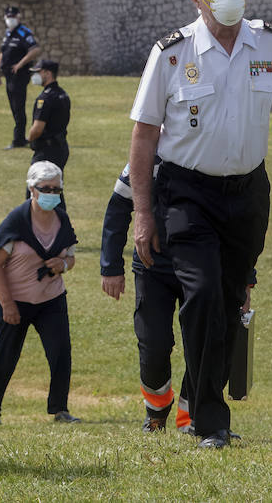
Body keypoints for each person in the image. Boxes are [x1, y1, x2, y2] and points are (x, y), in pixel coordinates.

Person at [128, 0, 272, 449]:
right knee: (202, 294)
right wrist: (143, 214)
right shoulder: (172, 53)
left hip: (247, 192)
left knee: (233, 300)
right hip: (185, 192)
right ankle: (210, 424)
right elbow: (144, 135)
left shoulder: (271, 47)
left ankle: (198, 396)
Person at [0, 161, 80, 427]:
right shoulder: (17, 221)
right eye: (45, 188)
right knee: (4, 358)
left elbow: (71, 256)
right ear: (32, 189)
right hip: (14, 301)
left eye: (56, 189)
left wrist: (62, 265)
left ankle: (60, 409)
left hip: (51, 300)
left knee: (60, 353)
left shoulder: (62, 219)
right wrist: (7, 304)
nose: (51, 193)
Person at [99, 158, 191, 434]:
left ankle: (193, 417)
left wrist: (245, 278)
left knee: (201, 344)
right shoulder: (146, 160)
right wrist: (111, 267)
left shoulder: (204, 154)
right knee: (153, 344)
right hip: (152, 268)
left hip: (200, 265)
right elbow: (117, 209)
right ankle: (156, 413)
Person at [0, 5, 41, 150]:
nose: (10, 19)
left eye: (13, 17)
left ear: (18, 17)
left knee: (18, 106)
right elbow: (3, 53)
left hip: (19, 75)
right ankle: (20, 137)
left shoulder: (23, 32)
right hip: (8, 74)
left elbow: (35, 50)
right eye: (8, 17)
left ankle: (18, 139)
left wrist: (20, 64)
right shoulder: (8, 33)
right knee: (14, 107)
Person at [27, 58, 71, 173]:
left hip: (47, 151)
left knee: (38, 187)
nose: (34, 75)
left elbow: (37, 129)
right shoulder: (63, 94)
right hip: (61, 147)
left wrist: (29, 138)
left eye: (38, 72)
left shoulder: (45, 98)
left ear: (48, 73)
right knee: (54, 187)